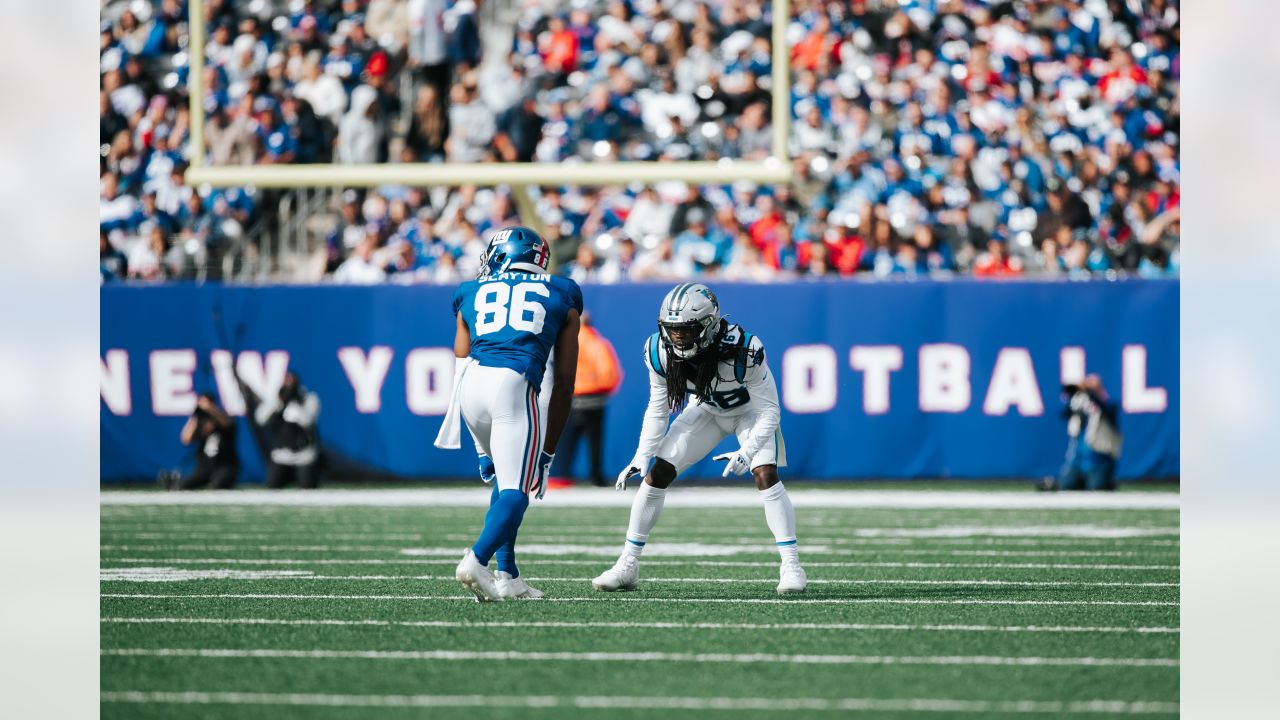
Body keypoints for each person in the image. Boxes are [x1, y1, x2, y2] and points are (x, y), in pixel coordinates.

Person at [592, 283, 807, 594]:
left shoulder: (743, 349)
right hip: (708, 409)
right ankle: (628, 563)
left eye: (686, 329)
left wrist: (746, 452)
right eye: (672, 329)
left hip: (750, 414)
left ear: (708, 325)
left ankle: (791, 565)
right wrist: (642, 454)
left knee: (766, 475)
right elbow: (658, 407)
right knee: (657, 474)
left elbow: (770, 412)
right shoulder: (659, 351)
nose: (677, 337)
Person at [445, 226, 582, 601]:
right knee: (518, 489)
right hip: (514, 384)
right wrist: (549, 452)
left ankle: (508, 574)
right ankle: (476, 560)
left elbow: (460, 368)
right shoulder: (563, 291)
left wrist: (479, 447)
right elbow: (566, 382)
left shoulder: (468, 291)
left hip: (471, 386)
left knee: (505, 482)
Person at [551, 312, 622, 487]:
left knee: (563, 442)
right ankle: (596, 477)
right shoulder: (599, 343)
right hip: (594, 401)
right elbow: (609, 374)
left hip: (568, 399)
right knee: (595, 443)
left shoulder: (562, 343)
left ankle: (560, 476)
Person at [1039, 375, 1123, 492]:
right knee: (1067, 485)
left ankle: (1108, 481)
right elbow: (1062, 413)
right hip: (1077, 461)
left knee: (1096, 487)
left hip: (1099, 461)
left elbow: (1107, 410)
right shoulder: (1080, 406)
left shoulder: (1109, 406)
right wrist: (1075, 395)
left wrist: (1090, 392)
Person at [243, 372, 322, 488]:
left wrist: (294, 404)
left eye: (291, 383)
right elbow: (260, 419)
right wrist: (279, 402)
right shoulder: (276, 400)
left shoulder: (308, 399)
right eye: (286, 383)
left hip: (304, 455)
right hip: (282, 455)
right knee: (272, 485)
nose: (288, 387)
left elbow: (308, 421)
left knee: (307, 485)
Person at [171, 393, 238, 490]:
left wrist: (211, 410)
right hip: (205, 468)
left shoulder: (224, 418)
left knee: (219, 483)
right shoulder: (200, 421)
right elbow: (186, 439)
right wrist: (195, 417)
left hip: (223, 466)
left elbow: (226, 424)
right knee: (184, 485)